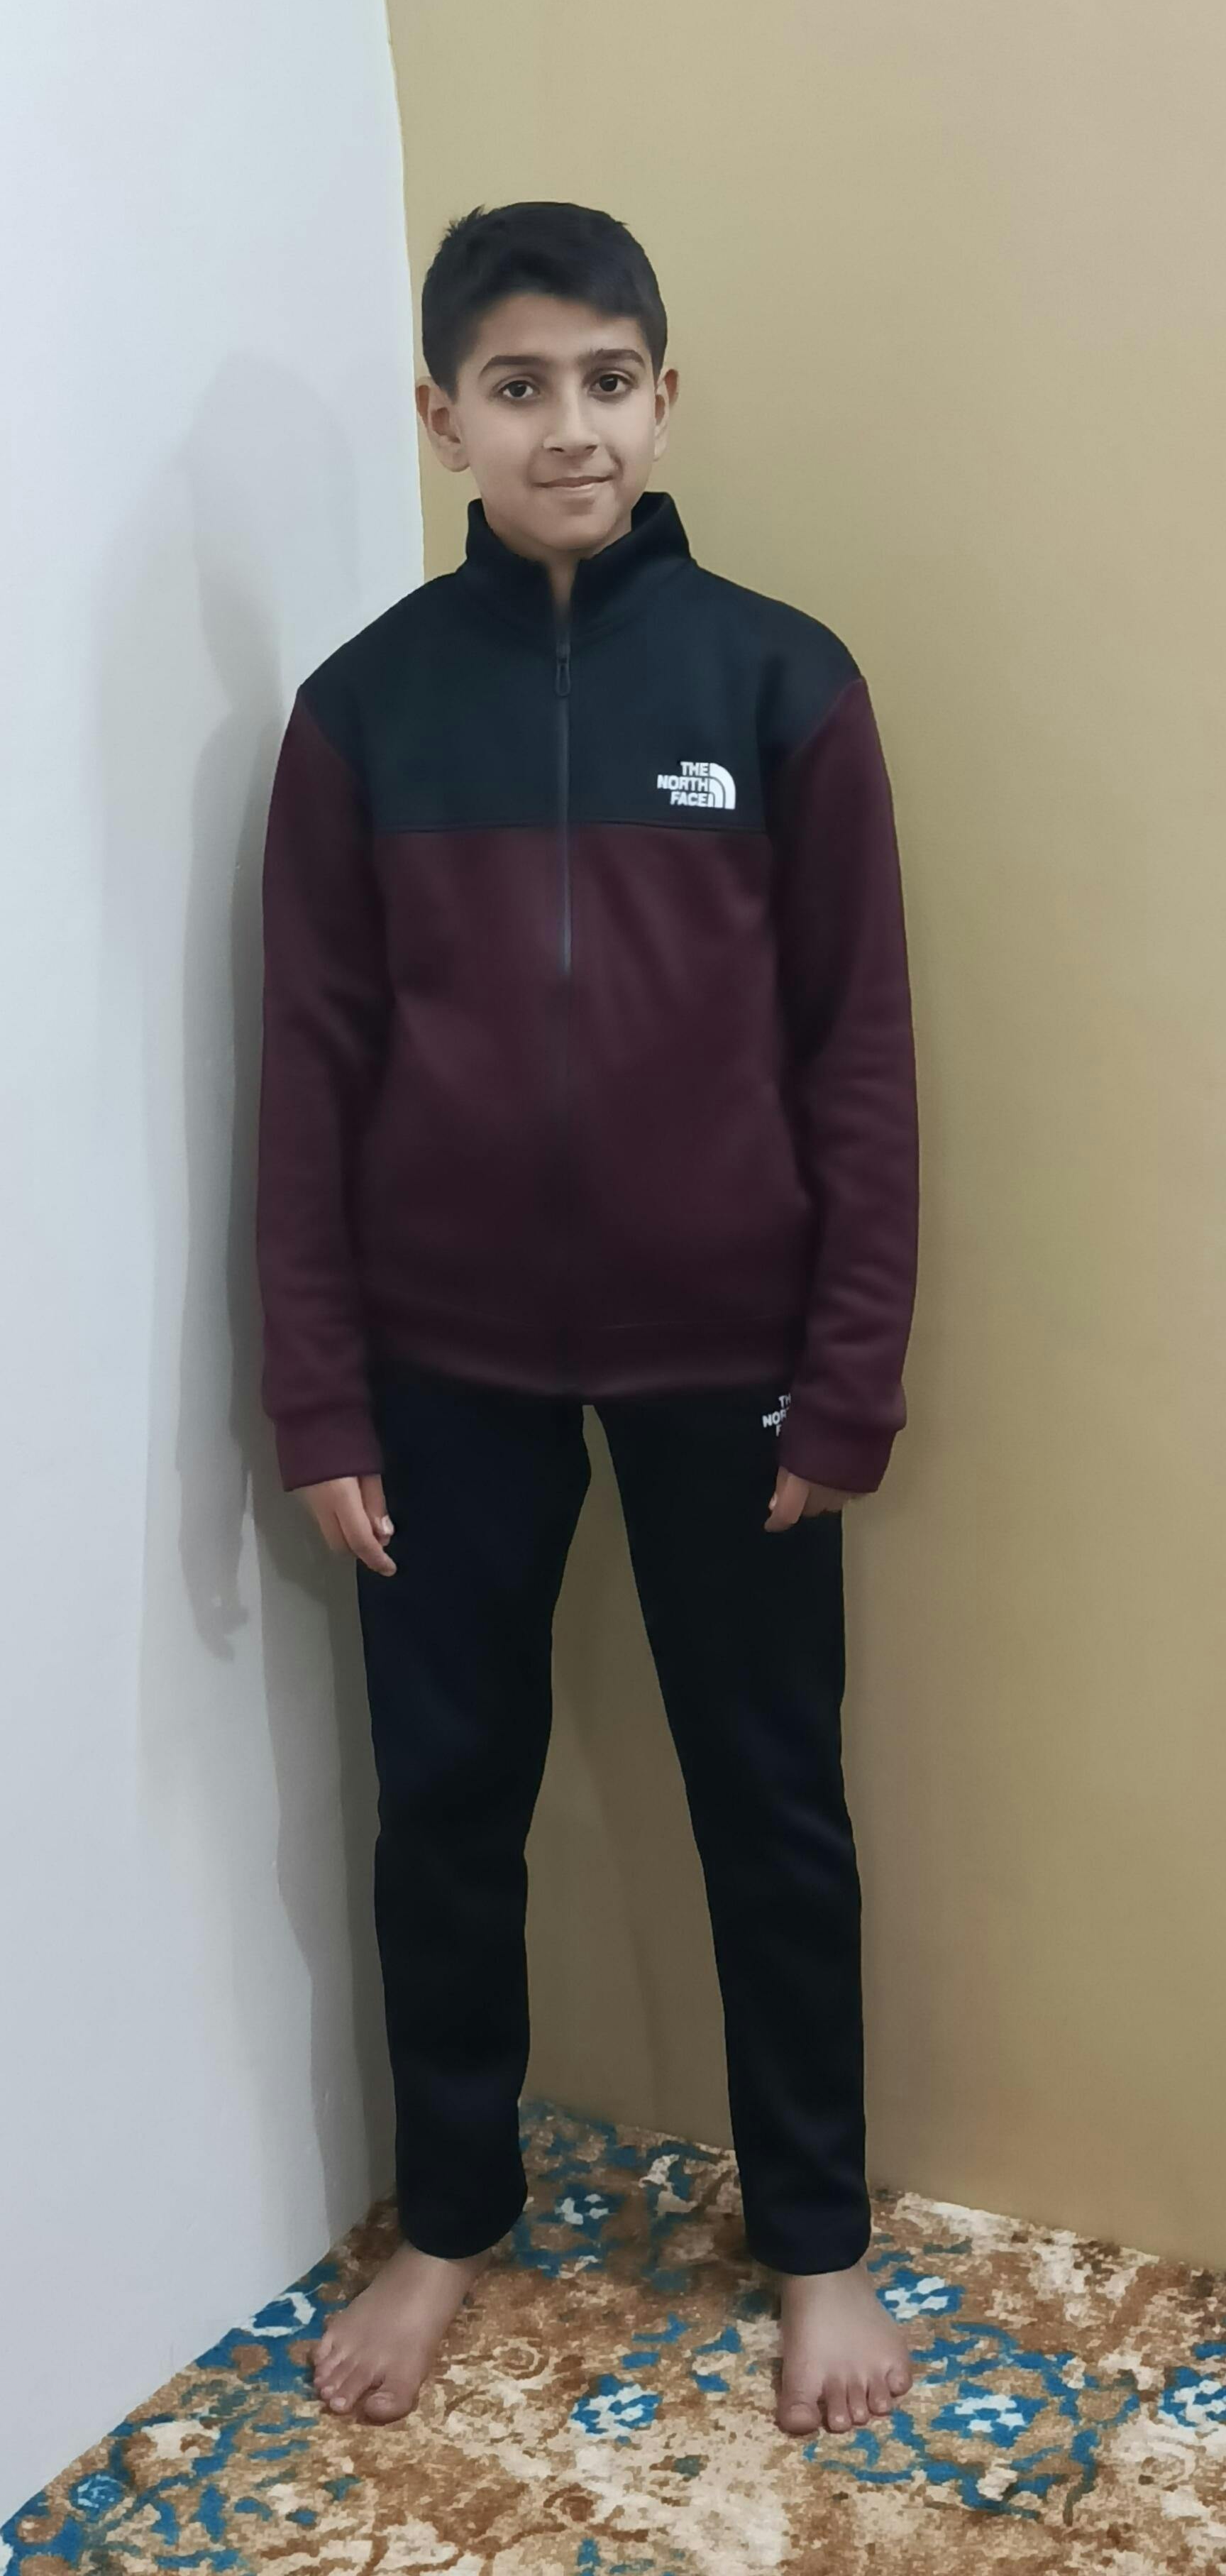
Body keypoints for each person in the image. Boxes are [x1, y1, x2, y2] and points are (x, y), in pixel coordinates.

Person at [255, 200, 920, 2435]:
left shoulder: (782, 686)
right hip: (438, 1373)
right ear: (440, 414)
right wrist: (318, 1391)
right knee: (446, 1806)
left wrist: (848, 1378)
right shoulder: (361, 714)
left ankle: (815, 2242)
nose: (572, 428)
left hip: (735, 1370)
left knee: (775, 1810)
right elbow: (309, 1076)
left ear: (665, 397)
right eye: (519, 386)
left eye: (608, 381)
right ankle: (452, 2216)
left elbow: (859, 1061)